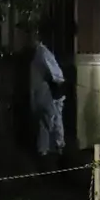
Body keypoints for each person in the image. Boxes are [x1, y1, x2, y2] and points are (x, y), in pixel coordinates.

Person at [28, 26, 66, 161]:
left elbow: (53, 73)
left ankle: (49, 149)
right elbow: (55, 73)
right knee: (50, 119)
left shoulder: (40, 53)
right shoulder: (41, 53)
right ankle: (51, 149)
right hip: (46, 92)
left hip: (45, 92)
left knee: (49, 120)